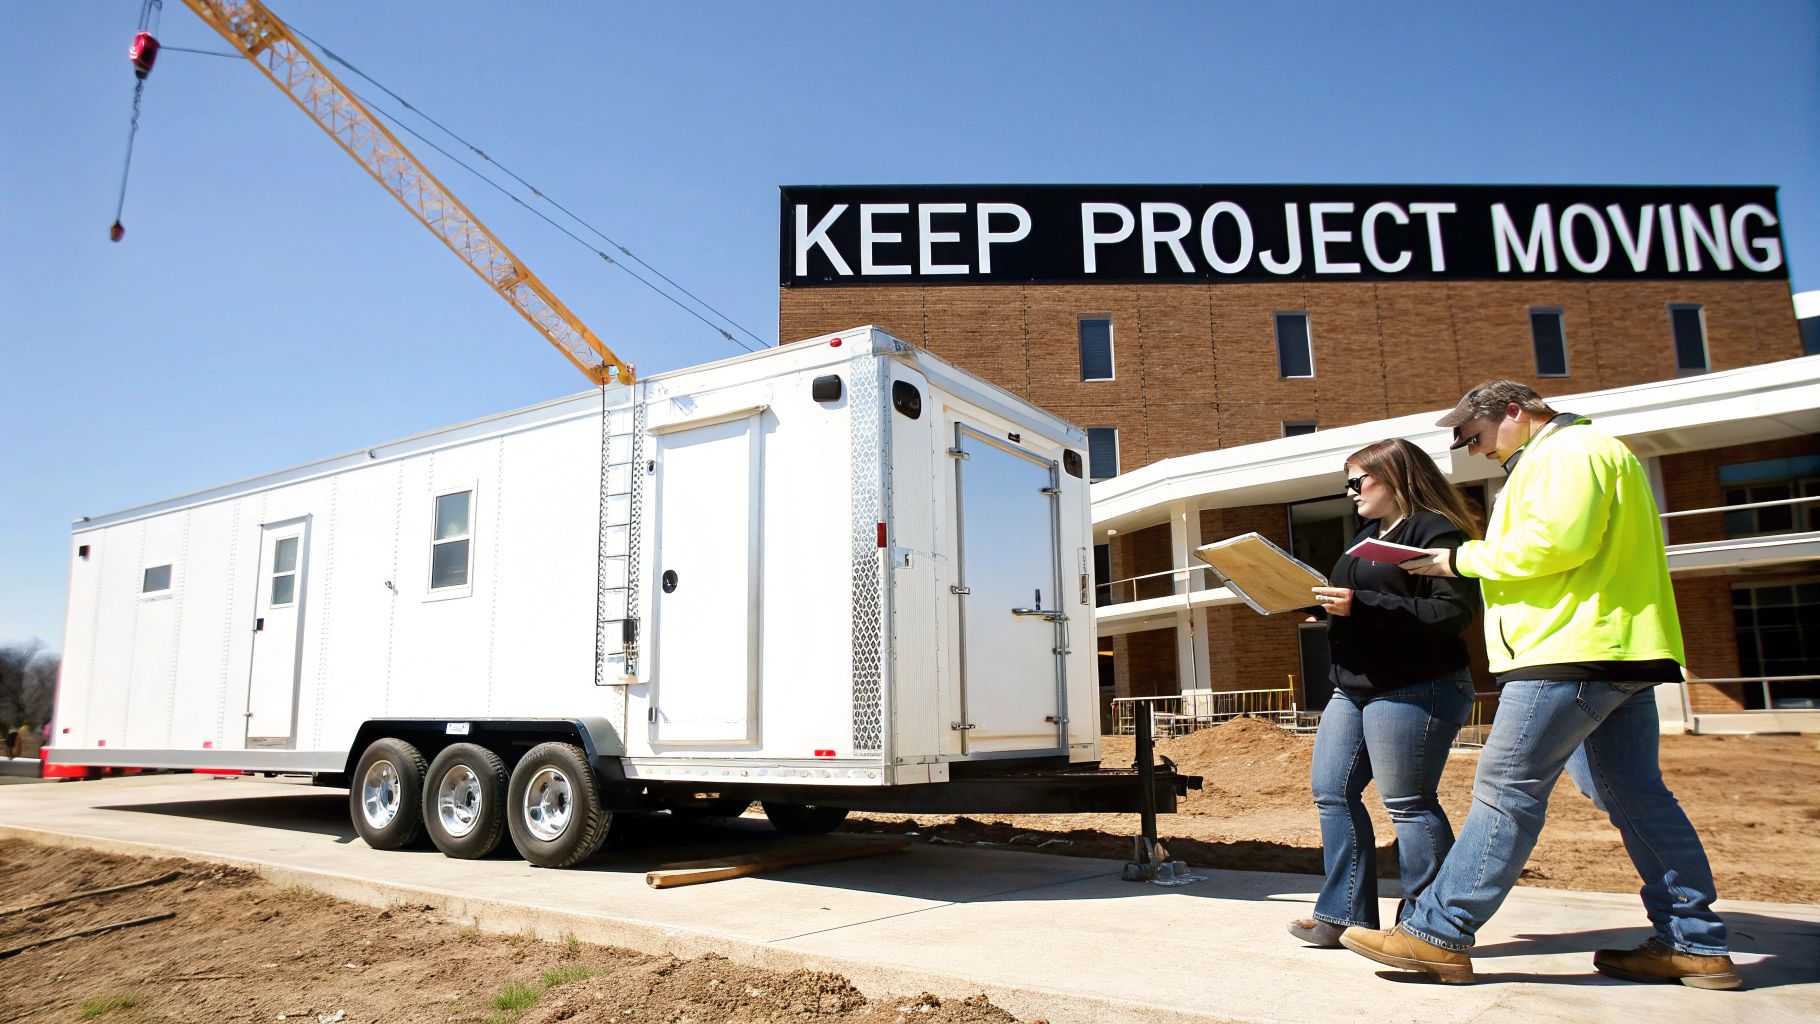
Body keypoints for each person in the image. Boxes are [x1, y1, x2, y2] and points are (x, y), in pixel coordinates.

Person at [1340, 380, 1740, 989]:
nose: (1473, 452)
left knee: (1507, 791)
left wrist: (1461, 559)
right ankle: (1695, 942)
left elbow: (1555, 545)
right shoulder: (1597, 454)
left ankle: (1438, 934)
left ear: (1514, 413)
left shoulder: (1565, 455)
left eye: (1473, 437)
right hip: (1617, 650)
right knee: (1636, 798)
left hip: (1568, 652)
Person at [1287, 439, 1482, 948]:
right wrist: (1317, 609)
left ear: (1394, 479)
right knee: (1332, 792)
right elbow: (1360, 605)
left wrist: (1363, 605)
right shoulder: (1365, 536)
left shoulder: (1434, 531)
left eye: (1358, 481)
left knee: (1408, 804)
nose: (1349, 492)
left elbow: (1453, 613)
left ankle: (1427, 925)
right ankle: (1342, 914)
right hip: (1352, 688)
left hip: (1415, 686)